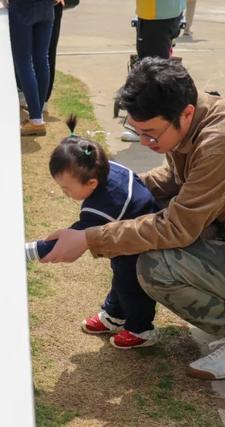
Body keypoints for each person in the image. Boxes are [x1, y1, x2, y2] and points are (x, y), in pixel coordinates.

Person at [41, 58, 225, 380]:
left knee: (156, 268)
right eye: (138, 133)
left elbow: (177, 227)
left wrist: (88, 238)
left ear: (186, 114)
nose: (147, 144)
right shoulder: (197, 111)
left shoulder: (221, 144)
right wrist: (123, 193)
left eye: (152, 134)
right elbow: (177, 178)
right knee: (148, 215)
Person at [26, 115, 162, 348]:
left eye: (66, 189)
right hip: (130, 235)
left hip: (142, 242)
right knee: (120, 277)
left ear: (91, 184)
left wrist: (30, 251)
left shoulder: (102, 206)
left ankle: (141, 329)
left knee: (130, 284)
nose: (64, 193)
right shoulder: (109, 169)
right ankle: (114, 315)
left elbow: (72, 238)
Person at [121, 0, 185, 142]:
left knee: (152, 74)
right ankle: (155, 126)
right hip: (166, 11)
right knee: (156, 70)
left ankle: (150, 129)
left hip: (157, 13)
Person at [8, 0, 64, 137]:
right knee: (42, 60)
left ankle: (36, 119)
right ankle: (37, 116)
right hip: (47, 7)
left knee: (24, 62)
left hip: (23, 8)